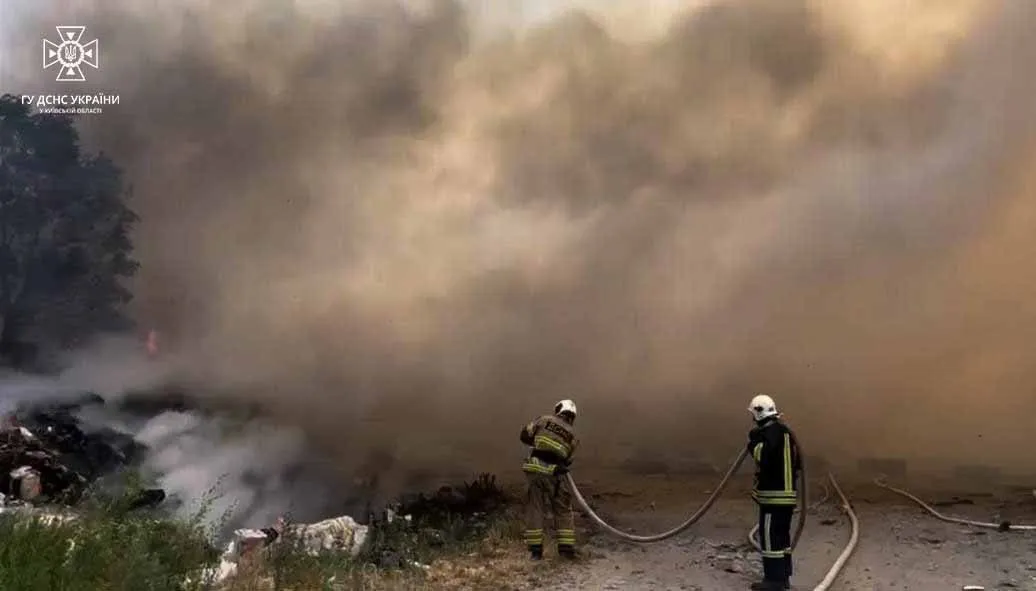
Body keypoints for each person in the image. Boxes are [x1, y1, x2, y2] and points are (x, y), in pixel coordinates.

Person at [747, 394, 801, 591]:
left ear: (758, 414)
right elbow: (799, 464)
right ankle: (783, 576)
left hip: (774, 497)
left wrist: (752, 442)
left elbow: (763, 455)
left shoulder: (771, 434)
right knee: (782, 537)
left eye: (753, 415)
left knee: (770, 537)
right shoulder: (787, 433)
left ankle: (774, 581)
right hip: (787, 497)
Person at [520, 399, 579, 560]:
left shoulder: (544, 420)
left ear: (558, 410)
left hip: (536, 471)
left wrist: (538, 440)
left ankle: (535, 552)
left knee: (536, 509)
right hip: (557, 476)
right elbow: (567, 459)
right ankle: (566, 551)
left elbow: (524, 435)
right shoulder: (573, 436)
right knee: (563, 510)